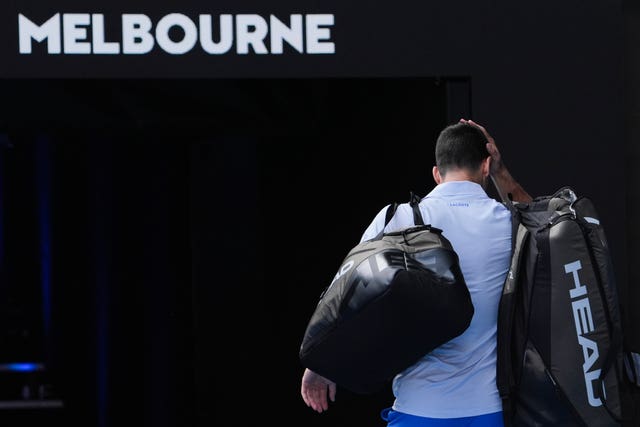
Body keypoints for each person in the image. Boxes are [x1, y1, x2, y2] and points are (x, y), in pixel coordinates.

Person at [300, 119, 532, 426]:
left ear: (437, 173)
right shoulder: (509, 222)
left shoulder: (396, 217)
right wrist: (502, 171)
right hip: (488, 409)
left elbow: (343, 298)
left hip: (417, 409)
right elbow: (540, 222)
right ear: (486, 166)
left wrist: (321, 365)